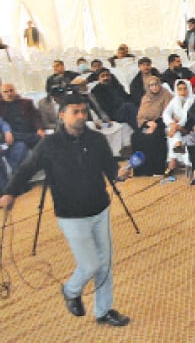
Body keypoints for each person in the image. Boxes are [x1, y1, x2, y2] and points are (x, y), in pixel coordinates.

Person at [0, 93, 131, 326]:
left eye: (84, 111)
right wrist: (10, 192)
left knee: (105, 264)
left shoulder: (97, 140)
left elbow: (110, 168)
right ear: (62, 116)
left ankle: (104, 311)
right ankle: (71, 291)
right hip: (71, 215)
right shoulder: (49, 145)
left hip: (99, 209)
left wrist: (119, 174)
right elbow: (26, 169)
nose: (82, 116)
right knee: (90, 264)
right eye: (76, 112)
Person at [131, 75, 171, 176]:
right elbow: (140, 116)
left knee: (154, 137)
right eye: (151, 85)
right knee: (136, 136)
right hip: (147, 123)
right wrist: (148, 124)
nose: (154, 87)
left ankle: (157, 169)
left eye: (156, 84)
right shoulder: (145, 98)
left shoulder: (166, 95)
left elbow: (167, 113)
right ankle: (141, 170)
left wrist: (155, 125)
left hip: (161, 123)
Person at [0, 83, 45, 172]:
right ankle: (17, 179)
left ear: (15, 90)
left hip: (28, 131)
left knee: (44, 145)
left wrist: (39, 129)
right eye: (6, 91)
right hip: (12, 136)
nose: (9, 93)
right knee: (21, 147)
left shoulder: (27, 102)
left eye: (11, 90)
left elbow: (36, 117)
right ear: (1, 94)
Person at [161, 79, 193, 182]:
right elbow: (166, 114)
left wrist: (177, 125)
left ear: (189, 89)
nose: (182, 92)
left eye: (185, 89)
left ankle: (172, 163)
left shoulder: (193, 100)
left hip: (189, 127)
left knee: (173, 132)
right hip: (178, 129)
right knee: (173, 134)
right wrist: (172, 124)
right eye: (179, 89)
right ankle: (178, 146)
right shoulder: (175, 101)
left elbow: (188, 117)